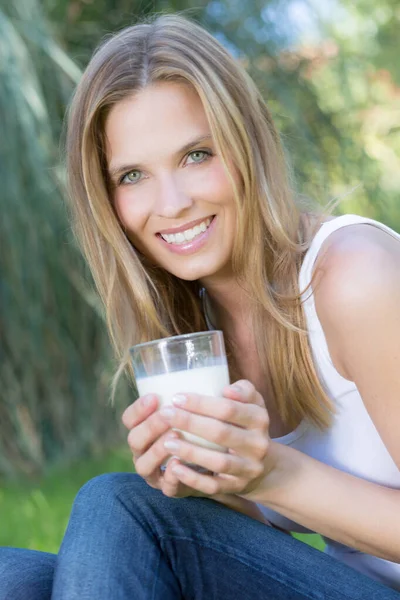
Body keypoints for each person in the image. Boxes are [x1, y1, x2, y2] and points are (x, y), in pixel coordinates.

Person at [1, 12, 399, 600]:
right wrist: (206, 484)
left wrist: (270, 472)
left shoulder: (354, 275)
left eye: (196, 155)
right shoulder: (195, 325)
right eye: (132, 175)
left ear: (247, 143)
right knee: (14, 577)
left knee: (119, 507)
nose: (172, 203)